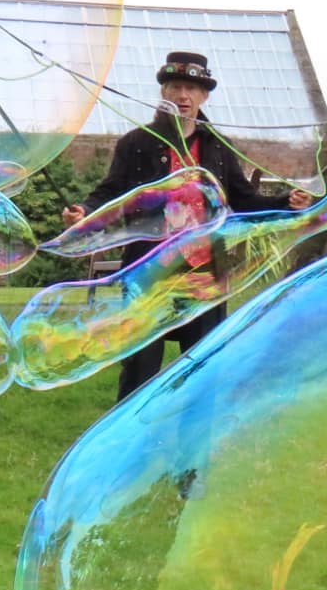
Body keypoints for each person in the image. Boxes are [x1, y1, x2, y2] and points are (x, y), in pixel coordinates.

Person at [61, 50, 313, 401]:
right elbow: (111, 191)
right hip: (148, 276)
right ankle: (131, 446)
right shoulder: (137, 144)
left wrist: (285, 202)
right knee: (139, 368)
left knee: (202, 369)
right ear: (164, 91)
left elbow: (242, 199)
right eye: (176, 86)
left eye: (192, 89)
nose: (184, 96)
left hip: (204, 277)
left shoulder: (218, 147)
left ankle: (192, 444)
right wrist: (84, 211)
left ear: (204, 95)